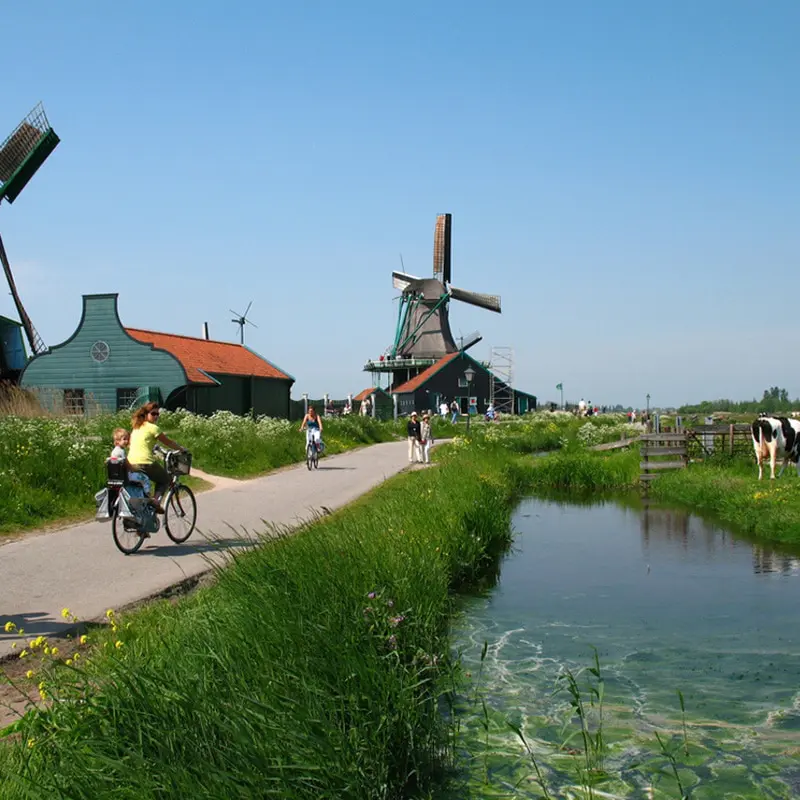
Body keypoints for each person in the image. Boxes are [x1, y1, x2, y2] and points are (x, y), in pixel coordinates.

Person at [128, 402, 185, 514]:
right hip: (145, 462)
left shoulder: (136, 427)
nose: (156, 416)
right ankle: (155, 502)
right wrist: (181, 449)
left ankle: (143, 512)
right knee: (165, 480)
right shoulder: (153, 428)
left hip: (130, 463)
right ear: (146, 414)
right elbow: (168, 442)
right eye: (153, 414)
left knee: (141, 486)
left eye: (158, 414)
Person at [110, 427, 151, 497]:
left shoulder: (114, 451)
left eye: (127, 439)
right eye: (124, 439)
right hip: (125, 476)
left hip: (117, 476)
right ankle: (147, 495)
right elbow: (127, 465)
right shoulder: (120, 451)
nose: (126, 441)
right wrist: (135, 468)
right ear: (117, 441)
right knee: (144, 477)